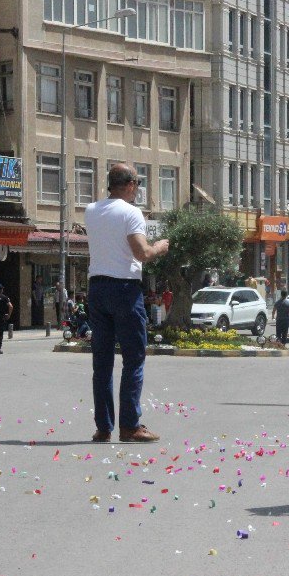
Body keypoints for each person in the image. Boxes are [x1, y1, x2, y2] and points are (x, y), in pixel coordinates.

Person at [86, 163, 169, 443]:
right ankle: (130, 425)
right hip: (124, 288)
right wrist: (161, 246)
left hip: (96, 287)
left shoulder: (91, 210)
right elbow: (142, 252)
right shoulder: (131, 213)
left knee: (102, 362)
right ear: (131, 184)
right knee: (133, 358)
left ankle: (104, 427)